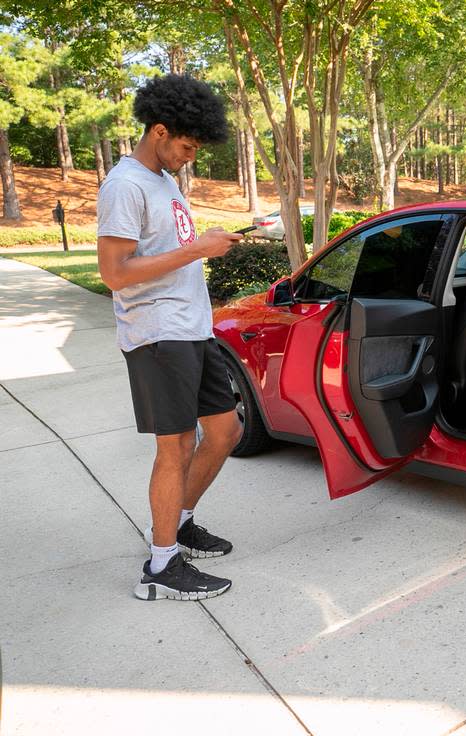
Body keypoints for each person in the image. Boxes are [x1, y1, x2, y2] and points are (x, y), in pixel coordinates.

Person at [97, 75, 244, 600]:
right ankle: (161, 567)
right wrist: (197, 250)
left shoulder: (162, 180)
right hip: (157, 333)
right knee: (176, 446)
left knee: (224, 432)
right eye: (185, 146)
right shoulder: (125, 184)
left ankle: (176, 524)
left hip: (192, 329)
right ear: (158, 130)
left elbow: (171, 246)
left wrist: (207, 243)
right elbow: (115, 272)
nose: (189, 156)